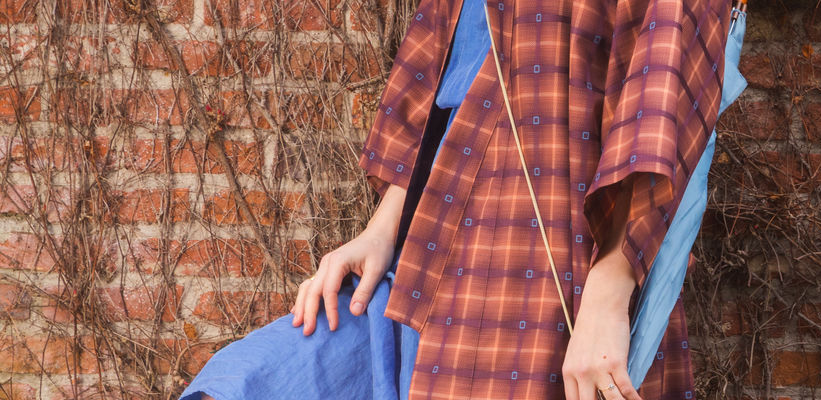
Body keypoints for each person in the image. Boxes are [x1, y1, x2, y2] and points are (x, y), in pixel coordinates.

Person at [179, 0, 735, 399]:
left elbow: (663, 100)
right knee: (247, 380)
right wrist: (381, 229)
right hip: (425, 258)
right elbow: (440, 79)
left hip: (547, 273)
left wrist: (609, 296)